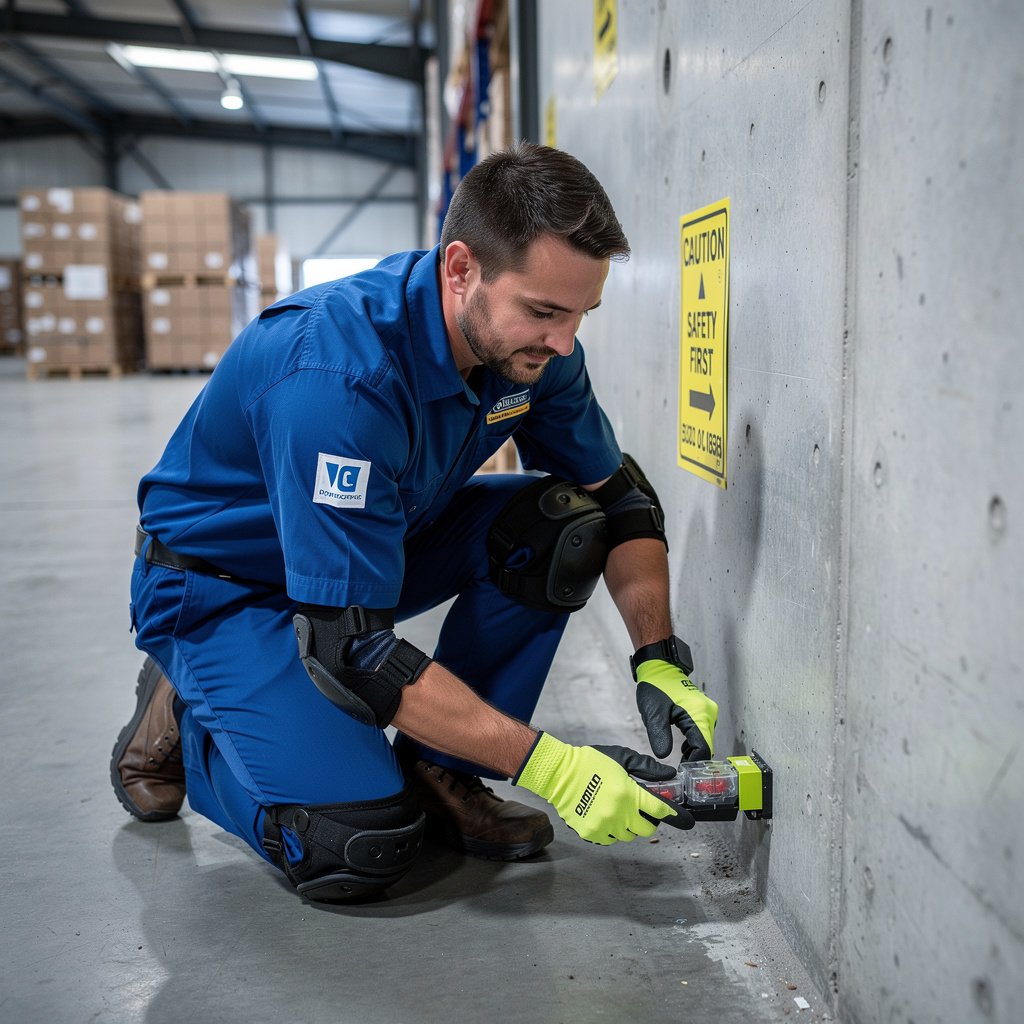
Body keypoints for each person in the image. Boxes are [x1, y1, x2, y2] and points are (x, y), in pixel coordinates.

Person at [110, 141, 719, 904]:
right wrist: (553, 767)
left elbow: (624, 501)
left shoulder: (535, 351)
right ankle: (189, 716)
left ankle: (444, 770)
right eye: (544, 312)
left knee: (564, 521)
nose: (565, 343)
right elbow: (354, 652)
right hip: (223, 589)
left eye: (580, 315)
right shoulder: (336, 378)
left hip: (366, 554)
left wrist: (657, 658)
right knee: (352, 845)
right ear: (462, 268)